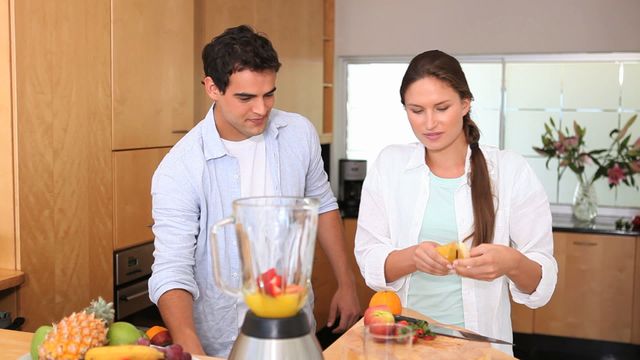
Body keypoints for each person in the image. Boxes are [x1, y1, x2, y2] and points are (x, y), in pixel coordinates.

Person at [148, 25, 361, 357]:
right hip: (222, 340)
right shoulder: (180, 168)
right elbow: (171, 268)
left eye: (269, 94)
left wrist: (346, 283)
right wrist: (190, 346)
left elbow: (321, 204)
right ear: (212, 88)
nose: (262, 109)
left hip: (294, 325)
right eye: (246, 98)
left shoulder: (298, 133)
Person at [353, 50, 557, 355]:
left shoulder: (510, 170)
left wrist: (510, 262)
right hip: (406, 345)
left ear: (465, 103)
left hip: (480, 347)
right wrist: (413, 257)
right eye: (416, 110)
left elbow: (541, 284)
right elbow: (368, 258)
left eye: (442, 107)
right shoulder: (389, 165)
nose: (429, 123)